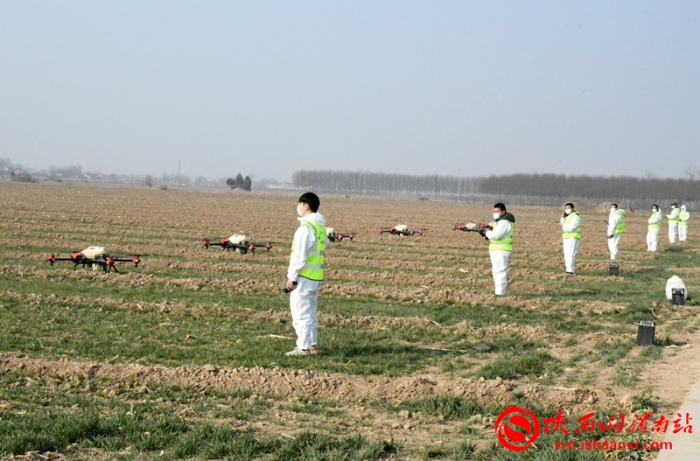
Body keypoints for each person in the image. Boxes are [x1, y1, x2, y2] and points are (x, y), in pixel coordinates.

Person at [285, 192, 327, 356]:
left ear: (306, 205)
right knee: (310, 313)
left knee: (300, 313)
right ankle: (312, 345)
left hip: (303, 278)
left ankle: (303, 348)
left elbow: (299, 256)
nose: (298, 207)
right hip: (315, 277)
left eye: (299, 204)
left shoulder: (305, 229)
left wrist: (291, 277)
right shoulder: (319, 228)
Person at [482, 203, 515, 295]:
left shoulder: (504, 222)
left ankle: (500, 294)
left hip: (502, 250)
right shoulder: (499, 222)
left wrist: (487, 232)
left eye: (497, 211)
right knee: (496, 272)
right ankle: (498, 293)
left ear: (503, 212)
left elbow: (496, 235)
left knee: (500, 273)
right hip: (496, 249)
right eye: (494, 212)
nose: (495, 213)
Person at [560, 203, 581, 274]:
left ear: (572, 208)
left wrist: (563, 225)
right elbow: (563, 225)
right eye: (565, 208)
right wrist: (562, 218)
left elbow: (572, 227)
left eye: (568, 208)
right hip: (566, 237)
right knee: (567, 254)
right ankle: (568, 269)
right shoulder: (568, 216)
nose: (567, 210)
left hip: (573, 237)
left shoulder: (575, 216)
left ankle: (570, 271)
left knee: (571, 254)